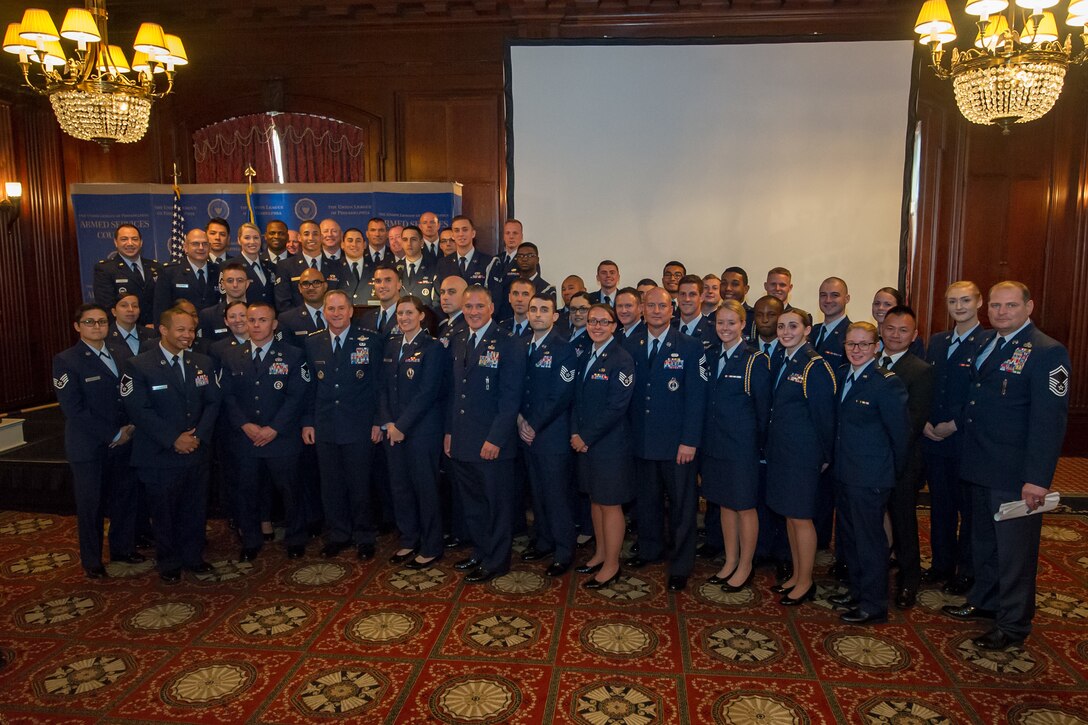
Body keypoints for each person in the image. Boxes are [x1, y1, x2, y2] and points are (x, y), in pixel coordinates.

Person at [943, 281, 1070, 651]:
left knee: (1015, 553)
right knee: (984, 543)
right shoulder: (986, 343)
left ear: (1028, 308)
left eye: (1010, 305)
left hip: (1015, 475)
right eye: (996, 306)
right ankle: (985, 601)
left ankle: (1013, 624)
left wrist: (1037, 479)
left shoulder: (1047, 352)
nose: (1001, 312)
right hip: (980, 465)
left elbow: (1049, 422)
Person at [121, 306, 221, 583]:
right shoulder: (139, 365)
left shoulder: (203, 362)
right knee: (164, 512)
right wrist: (173, 439)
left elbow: (213, 402)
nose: (188, 335)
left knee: (195, 508)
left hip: (196, 451)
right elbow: (138, 409)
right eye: (181, 329)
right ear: (163, 330)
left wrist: (198, 435)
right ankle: (169, 562)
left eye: (191, 330)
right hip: (159, 455)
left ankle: (193, 557)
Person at [626, 287, 708, 592]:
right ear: (643, 310)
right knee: (646, 502)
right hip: (642, 441)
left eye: (662, 305)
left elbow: (697, 398)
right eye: (651, 305)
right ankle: (650, 549)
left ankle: (682, 563)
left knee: (682, 506)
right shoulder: (631, 343)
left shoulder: (690, 346)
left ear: (671, 310)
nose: (657, 310)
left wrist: (689, 441)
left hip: (677, 446)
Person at [828, 321, 911, 624]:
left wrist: (888, 475)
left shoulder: (887, 383)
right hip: (844, 471)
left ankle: (874, 604)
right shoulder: (842, 375)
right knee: (849, 538)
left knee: (870, 541)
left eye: (864, 344)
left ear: (876, 347)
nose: (857, 350)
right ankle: (856, 591)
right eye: (851, 344)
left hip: (871, 477)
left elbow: (900, 437)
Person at [53, 304, 142, 578]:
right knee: (91, 505)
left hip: (124, 441)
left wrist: (130, 428)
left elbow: (129, 393)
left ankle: (122, 549)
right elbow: (74, 409)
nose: (97, 326)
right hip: (90, 447)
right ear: (77, 326)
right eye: (90, 322)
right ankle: (92, 560)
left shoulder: (119, 352)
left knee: (124, 499)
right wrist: (112, 434)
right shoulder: (66, 360)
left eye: (102, 322)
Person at [445, 285, 526, 583]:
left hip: (493, 442)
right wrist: (449, 432)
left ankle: (497, 560)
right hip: (463, 438)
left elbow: (510, 399)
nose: (474, 312)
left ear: (492, 308)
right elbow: (455, 393)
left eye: (480, 306)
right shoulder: (459, 340)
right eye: (469, 307)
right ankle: (481, 550)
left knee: (496, 505)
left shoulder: (509, 343)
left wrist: (495, 439)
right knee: (473, 503)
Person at [219, 301, 309, 561]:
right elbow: (227, 396)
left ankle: (295, 538)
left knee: (290, 492)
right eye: (251, 320)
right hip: (246, 438)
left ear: (274, 324)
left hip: (281, 438)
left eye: (262, 320)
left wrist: (274, 428)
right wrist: (245, 425)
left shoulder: (293, 354)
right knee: (246, 492)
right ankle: (250, 540)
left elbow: (297, 397)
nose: (256, 325)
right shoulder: (232, 355)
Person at [302, 289, 386, 561]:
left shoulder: (370, 341)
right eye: (331, 309)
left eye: (341, 308)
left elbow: (378, 386)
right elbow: (310, 387)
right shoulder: (313, 342)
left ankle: (364, 536)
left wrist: (377, 421)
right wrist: (307, 422)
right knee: (331, 485)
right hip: (325, 425)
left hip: (358, 426)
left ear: (351, 311)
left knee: (360, 485)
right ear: (323, 312)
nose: (336, 314)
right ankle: (338, 534)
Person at [922, 281, 992, 595]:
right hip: (934, 439)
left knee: (970, 511)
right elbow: (926, 384)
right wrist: (923, 420)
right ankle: (941, 565)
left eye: (965, 300)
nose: (959, 307)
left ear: (979, 303)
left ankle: (966, 571)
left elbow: (986, 394)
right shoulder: (937, 341)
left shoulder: (989, 341)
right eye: (953, 301)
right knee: (941, 506)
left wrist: (955, 423)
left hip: (966, 440)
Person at [764, 307, 836, 606]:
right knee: (790, 517)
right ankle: (795, 573)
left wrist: (824, 455)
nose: (785, 331)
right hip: (782, 451)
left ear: (807, 330)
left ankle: (806, 581)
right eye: (781, 326)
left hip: (803, 455)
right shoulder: (782, 358)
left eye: (793, 326)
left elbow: (825, 418)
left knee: (802, 517)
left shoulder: (814, 366)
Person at [700, 301, 771, 593]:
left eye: (731, 322)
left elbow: (764, 410)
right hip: (715, 444)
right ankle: (730, 561)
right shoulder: (710, 355)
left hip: (742, 448)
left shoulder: (755, 360)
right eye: (720, 323)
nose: (725, 328)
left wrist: (759, 449)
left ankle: (745, 565)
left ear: (743, 324)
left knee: (744, 506)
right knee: (725, 505)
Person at [380, 295, 449, 569]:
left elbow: (428, 392)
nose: (404, 318)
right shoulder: (391, 344)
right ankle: (409, 539)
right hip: (393, 430)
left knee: (425, 489)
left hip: (422, 431)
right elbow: (382, 388)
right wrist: (388, 423)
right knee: (400, 487)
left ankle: (431, 545)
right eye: (400, 313)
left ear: (421, 316)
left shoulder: (433, 348)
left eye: (409, 313)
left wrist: (402, 426)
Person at [571, 302, 635, 588]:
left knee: (610, 505)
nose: (596, 326)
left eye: (603, 322)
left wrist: (586, 437)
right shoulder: (585, 354)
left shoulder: (621, 359)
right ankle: (599, 553)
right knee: (595, 501)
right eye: (592, 321)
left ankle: (612, 564)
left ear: (614, 326)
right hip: (585, 444)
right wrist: (575, 433)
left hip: (609, 446)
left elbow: (616, 407)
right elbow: (576, 400)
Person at [518, 293, 579, 576]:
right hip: (525, 431)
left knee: (556, 496)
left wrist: (533, 424)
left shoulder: (563, 348)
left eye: (544, 310)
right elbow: (515, 387)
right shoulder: (522, 345)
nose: (538, 314)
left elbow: (560, 394)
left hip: (551, 435)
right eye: (534, 309)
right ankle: (543, 540)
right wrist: (520, 419)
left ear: (555, 316)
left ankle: (564, 550)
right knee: (536, 492)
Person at [878, 304, 935, 610]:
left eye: (903, 330)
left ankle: (908, 581)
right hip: (867, 462)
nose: (895, 335)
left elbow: (912, 423)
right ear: (881, 329)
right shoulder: (868, 360)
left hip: (901, 461)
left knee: (903, 523)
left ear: (913, 336)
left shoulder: (921, 371)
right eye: (890, 328)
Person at [93, 223, 161, 326]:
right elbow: (107, 307)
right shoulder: (105, 269)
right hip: (125, 332)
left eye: (134, 239)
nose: (130, 243)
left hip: (154, 330)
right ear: (116, 242)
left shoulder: (156, 267)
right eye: (124, 239)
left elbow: (162, 302)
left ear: (141, 242)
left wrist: (156, 325)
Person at [274, 220, 345, 311]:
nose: (311, 238)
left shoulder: (336, 266)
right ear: (299, 237)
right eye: (306, 234)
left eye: (315, 234)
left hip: (331, 321)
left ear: (321, 237)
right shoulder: (286, 266)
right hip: (297, 322)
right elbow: (283, 302)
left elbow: (341, 299)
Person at [152, 228, 221, 323]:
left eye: (205, 244)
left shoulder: (218, 271)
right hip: (180, 331)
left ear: (209, 247)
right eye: (195, 244)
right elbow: (161, 310)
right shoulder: (170, 272)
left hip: (211, 332)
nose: (201, 247)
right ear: (185, 247)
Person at [434, 215, 495, 291]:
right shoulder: (443, 263)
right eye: (457, 230)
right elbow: (438, 295)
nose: (461, 234)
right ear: (453, 235)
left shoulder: (488, 262)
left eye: (465, 230)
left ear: (473, 233)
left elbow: (494, 295)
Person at [198, 262, 251, 342]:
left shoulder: (258, 311)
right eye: (230, 281)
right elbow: (205, 348)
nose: (235, 285)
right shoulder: (208, 315)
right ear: (222, 285)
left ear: (247, 284)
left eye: (240, 280)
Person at [278, 269, 328, 346]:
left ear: (325, 286)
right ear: (300, 288)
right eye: (305, 284)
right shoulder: (287, 319)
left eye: (316, 283)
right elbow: (285, 351)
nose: (311, 288)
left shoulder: (337, 315)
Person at [229, 222, 276, 305]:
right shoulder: (229, 266)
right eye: (247, 238)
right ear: (239, 240)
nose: (252, 242)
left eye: (256, 238)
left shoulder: (271, 266)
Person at [811, 277, 851, 368]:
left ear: (847, 299)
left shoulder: (851, 333)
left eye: (835, 295)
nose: (828, 300)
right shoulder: (812, 331)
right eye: (823, 295)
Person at [397, 226, 440, 308]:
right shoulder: (395, 269)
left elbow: (437, 303)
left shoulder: (434, 268)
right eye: (405, 240)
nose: (409, 243)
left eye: (413, 239)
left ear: (421, 242)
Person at [109, 293, 155, 361]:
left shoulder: (152, 334)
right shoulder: (105, 337)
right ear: (114, 312)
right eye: (124, 306)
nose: (130, 309)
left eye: (135, 306)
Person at [361, 265, 402, 337]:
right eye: (378, 281)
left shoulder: (410, 316)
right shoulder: (365, 319)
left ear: (399, 284)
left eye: (388, 280)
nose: (382, 285)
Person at [675, 274, 712, 346]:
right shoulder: (668, 327)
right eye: (683, 294)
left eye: (692, 294)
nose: (686, 299)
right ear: (677, 297)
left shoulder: (714, 331)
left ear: (702, 297)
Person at [340, 226, 372, 306]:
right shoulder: (333, 268)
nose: (354, 244)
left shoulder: (375, 269)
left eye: (358, 241)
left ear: (364, 245)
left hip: (369, 315)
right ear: (342, 245)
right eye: (350, 241)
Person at [436, 275, 469, 340]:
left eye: (451, 292)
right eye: (442, 292)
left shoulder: (469, 325)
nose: (445, 297)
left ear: (465, 296)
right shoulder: (443, 325)